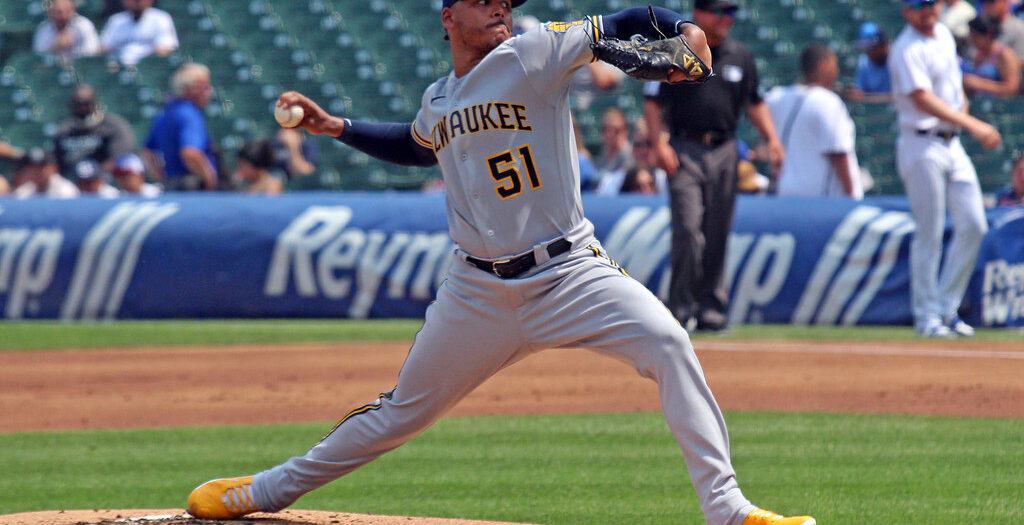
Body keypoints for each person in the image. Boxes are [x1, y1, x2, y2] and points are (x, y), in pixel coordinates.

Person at [185, 2, 814, 525]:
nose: (499, 9)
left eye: (504, 2)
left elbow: (625, 21)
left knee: (670, 343)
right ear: (448, 17)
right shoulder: (440, 97)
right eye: (483, 0)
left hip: (571, 272)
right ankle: (265, 491)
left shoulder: (534, 52)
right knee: (399, 412)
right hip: (477, 291)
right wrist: (338, 127)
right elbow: (417, 145)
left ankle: (728, 510)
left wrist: (682, 27)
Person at [644, 0, 785, 332]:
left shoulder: (740, 55)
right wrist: (658, 143)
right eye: (720, 11)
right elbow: (652, 100)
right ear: (700, 13)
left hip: (725, 148)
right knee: (688, 229)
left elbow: (754, 102)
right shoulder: (675, 48)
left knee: (718, 230)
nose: (726, 18)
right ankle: (680, 307)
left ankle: (711, 308)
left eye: (731, 12)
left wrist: (772, 138)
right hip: (684, 147)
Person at [890, 0, 1002, 337]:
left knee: (974, 224)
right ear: (906, 11)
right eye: (919, 5)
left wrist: (963, 114)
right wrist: (972, 124)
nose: (928, 9)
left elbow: (953, 87)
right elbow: (922, 99)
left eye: (932, 2)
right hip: (920, 142)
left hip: (952, 143)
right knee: (930, 231)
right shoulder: (905, 48)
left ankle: (946, 308)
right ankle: (927, 317)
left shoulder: (943, 34)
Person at [767, 44, 863, 199]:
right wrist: (851, 195)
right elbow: (838, 154)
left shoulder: (776, 98)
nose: (837, 70)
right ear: (823, 65)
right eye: (834, 64)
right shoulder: (828, 101)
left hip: (785, 194)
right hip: (823, 199)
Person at [143, 63, 218, 191]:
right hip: (191, 188)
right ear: (191, 90)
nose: (210, 92)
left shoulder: (165, 113)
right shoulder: (190, 114)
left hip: (171, 186)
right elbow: (190, 154)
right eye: (205, 87)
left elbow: (147, 153)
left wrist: (161, 178)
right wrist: (210, 181)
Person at [53, 84, 137, 176]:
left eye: (85, 104)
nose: (81, 108)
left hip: (104, 180)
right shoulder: (65, 130)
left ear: (94, 103)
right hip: (71, 180)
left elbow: (120, 159)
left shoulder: (113, 126)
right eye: (77, 104)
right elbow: (57, 161)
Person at [597, 119, 668, 195]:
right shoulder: (614, 180)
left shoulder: (665, 179)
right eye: (638, 145)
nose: (643, 151)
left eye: (648, 144)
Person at [100, 0, 179, 66]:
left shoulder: (161, 18)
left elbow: (165, 49)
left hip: (149, 68)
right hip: (119, 68)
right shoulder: (116, 20)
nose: (136, 2)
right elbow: (103, 49)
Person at [962, 15, 1022, 97]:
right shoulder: (977, 54)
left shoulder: (1005, 55)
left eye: (975, 37)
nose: (971, 40)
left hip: (1000, 104)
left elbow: (1012, 89)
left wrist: (980, 84)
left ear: (988, 36)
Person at [32, 0, 101, 63]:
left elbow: (92, 55)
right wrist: (55, 47)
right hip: (53, 70)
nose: (62, 16)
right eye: (57, 12)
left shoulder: (84, 25)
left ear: (72, 10)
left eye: (65, 11)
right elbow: (39, 59)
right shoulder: (43, 30)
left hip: (81, 70)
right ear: (50, 12)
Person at [844, 22, 892, 102]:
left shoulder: (898, 59)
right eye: (866, 49)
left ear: (883, 44)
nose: (869, 53)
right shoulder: (864, 63)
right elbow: (861, 91)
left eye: (872, 48)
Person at [12, 147, 79, 199]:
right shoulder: (26, 190)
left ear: (53, 168)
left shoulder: (65, 190)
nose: (37, 171)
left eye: (41, 167)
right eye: (34, 167)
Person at [593, 107, 634, 181]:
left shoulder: (630, 155)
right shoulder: (604, 151)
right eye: (605, 129)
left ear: (625, 132)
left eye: (615, 130)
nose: (609, 134)